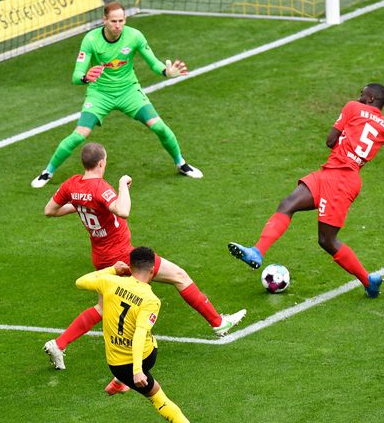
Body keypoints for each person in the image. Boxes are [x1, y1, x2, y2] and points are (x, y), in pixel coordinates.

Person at [42, 142, 246, 375]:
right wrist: (122, 185)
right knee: (179, 276)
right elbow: (123, 210)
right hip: (123, 255)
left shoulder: (71, 184)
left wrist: (82, 206)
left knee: (102, 308)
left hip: (100, 256)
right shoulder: (100, 187)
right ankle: (218, 323)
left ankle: (59, 344)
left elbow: (50, 210)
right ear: (101, 163)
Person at [228, 83, 384, 298]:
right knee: (288, 204)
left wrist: (344, 137)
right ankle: (257, 251)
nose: (359, 97)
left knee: (327, 240)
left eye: (362, 95)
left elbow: (330, 140)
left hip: (340, 179)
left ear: (371, 98)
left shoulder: (353, 107)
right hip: (334, 174)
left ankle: (368, 282)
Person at [30, 1, 203, 189]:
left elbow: (154, 63)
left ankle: (181, 164)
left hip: (129, 92)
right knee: (79, 135)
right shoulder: (91, 40)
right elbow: (75, 76)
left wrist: (166, 72)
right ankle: (47, 172)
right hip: (100, 94)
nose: (118, 25)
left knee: (159, 127)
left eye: (121, 20)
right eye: (113, 21)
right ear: (104, 20)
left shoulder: (134, 36)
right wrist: (86, 78)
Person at [76, 247, 190, 422]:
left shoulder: (110, 282)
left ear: (129, 266)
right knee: (160, 399)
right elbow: (140, 333)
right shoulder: (151, 300)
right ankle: (123, 382)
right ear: (152, 270)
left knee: (143, 338)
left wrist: (112, 269)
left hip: (118, 365)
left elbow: (81, 281)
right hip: (144, 357)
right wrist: (138, 371)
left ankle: (121, 381)